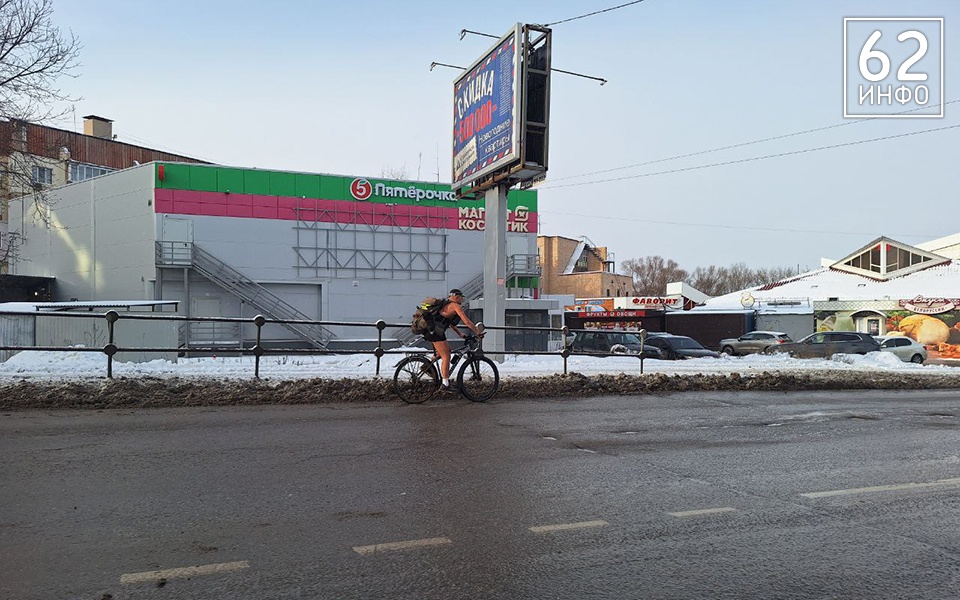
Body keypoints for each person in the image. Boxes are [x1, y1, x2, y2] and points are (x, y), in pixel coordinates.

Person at [423, 288, 484, 391]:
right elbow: (467, 322)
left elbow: (448, 322)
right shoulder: (455, 306)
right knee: (446, 356)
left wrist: (459, 333)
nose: (462, 300)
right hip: (435, 332)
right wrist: (478, 332)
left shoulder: (447, 304)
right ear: (457, 297)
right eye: (462, 297)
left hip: (433, 331)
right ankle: (445, 384)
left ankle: (427, 367)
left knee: (446, 351)